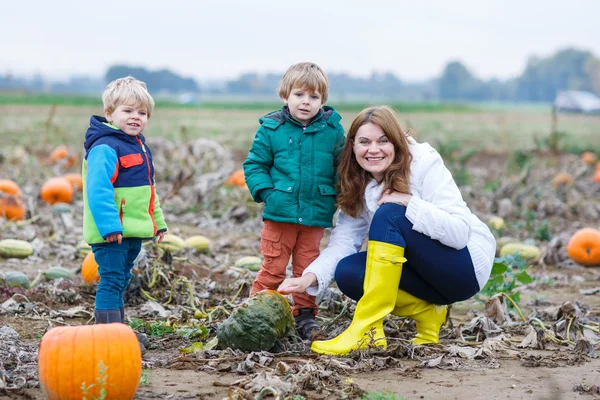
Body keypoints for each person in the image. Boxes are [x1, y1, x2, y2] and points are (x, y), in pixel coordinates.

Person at [278, 105, 496, 355]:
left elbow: (458, 233)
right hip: (420, 271)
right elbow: (343, 243)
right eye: (364, 142)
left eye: (383, 141)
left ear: (396, 142)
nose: (373, 150)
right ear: (352, 146)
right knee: (349, 272)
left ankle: (365, 329)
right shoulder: (360, 181)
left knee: (390, 214)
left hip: (464, 267)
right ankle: (428, 313)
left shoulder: (424, 162)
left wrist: (408, 202)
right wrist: (310, 277)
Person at [243, 62, 345, 340]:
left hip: (314, 216)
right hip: (280, 214)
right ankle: (256, 312)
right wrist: (268, 194)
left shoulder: (333, 132)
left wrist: (338, 197)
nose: (306, 102)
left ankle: (305, 317)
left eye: (314, 97)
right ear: (285, 95)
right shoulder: (271, 129)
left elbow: (342, 168)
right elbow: (254, 165)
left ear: (322, 101)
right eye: (299, 94)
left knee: (307, 269)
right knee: (273, 267)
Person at [83, 76, 167, 334]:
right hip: (112, 233)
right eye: (128, 111)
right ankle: (108, 336)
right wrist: (109, 226)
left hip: (131, 231)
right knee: (111, 280)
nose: (136, 117)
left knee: (121, 279)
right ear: (109, 113)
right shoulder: (105, 147)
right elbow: (98, 191)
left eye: (142, 112)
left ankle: (117, 331)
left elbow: (149, 191)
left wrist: (158, 223)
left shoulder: (139, 146)